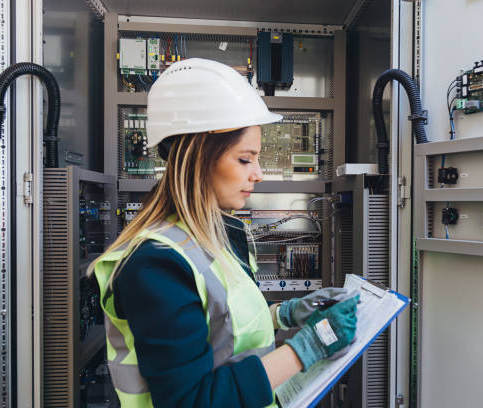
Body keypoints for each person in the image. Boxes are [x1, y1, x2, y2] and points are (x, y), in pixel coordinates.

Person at [89, 58, 359, 408]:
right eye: (245, 159)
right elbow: (193, 400)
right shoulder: (154, 265)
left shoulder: (214, 238)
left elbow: (223, 330)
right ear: (199, 157)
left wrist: (285, 314)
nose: (258, 174)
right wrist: (307, 346)